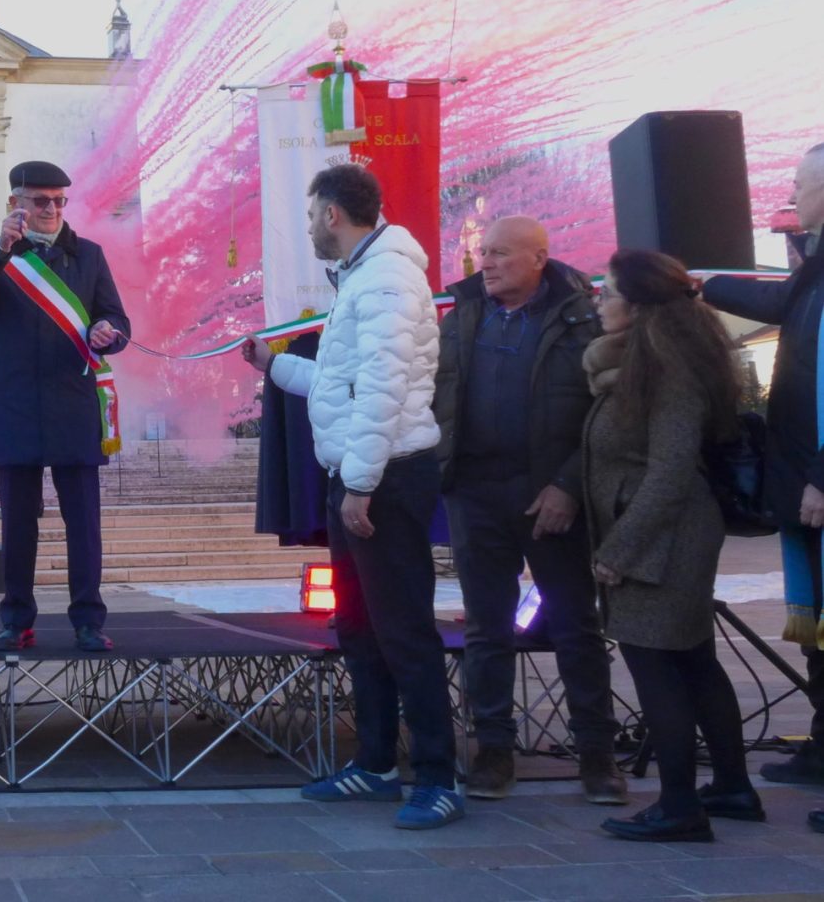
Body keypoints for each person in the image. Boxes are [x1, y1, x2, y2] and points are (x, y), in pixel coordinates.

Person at [241, 163, 461, 829]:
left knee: (402, 630)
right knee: (359, 627)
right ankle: (373, 763)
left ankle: (437, 778)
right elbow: (341, 382)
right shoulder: (363, 278)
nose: (308, 227)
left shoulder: (389, 277)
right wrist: (271, 364)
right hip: (363, 471)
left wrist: (360, 484)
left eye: (310, 216)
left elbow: (385, 390)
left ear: (332, 214)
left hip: (385, 475)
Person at [433, 216, 624, 803]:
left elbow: (605, 412)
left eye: (500, 254)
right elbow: (437, 394)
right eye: (482, 253)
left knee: (575, 626)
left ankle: (597, 757)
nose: (485, 263)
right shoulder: (461, 315)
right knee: (487, 628)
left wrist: (568, 485)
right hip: (476, 491)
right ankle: (492, 751)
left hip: (551, 496)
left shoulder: (581, 318)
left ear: (539, 257)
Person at [585, 249, 756, 842]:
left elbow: (671, 470)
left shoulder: (668, 366)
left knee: (654, 665)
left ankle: (680, 804)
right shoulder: (643, 360)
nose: (599, 303)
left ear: (638, 305)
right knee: (693, 660)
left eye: (606, 293)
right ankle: (732, 785)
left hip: (664, 539)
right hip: (659, 532)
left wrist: (619, 550)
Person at [0, 161, 129, 652]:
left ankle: (88, 620)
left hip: (73, 405)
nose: (51, 209)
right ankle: (17, 621)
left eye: (58, 200)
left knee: (84, 524)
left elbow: (116, 316)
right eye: (40, 200)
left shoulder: (89, 255)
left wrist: (108, 332)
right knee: (17, 525)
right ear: (16, 204)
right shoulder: (1, 255)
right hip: (15, 408)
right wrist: (0, 249)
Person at [702, 142, 824, 820]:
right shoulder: (814, 267)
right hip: (802, 482)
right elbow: (778, 301)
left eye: (802, 184)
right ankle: (821, 746)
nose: (794, 194)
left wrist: (821, 476)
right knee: (814, 628)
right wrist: (702, 282)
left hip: (818, 480)